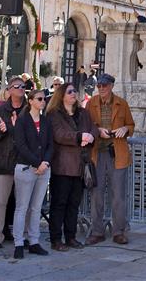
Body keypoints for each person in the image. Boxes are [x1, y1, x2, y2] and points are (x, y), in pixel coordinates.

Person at [85, 74, 135, 246]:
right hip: (97, 153)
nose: (101, 88)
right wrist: (98, 130)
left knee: (118, 195)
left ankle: (119, 231)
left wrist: (124, 129)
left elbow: (131, 126)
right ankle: (97, 231)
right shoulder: (91, 104)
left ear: (112, 86)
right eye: (99, 85)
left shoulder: (122, 104)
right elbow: (85, 125)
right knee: (96, 194)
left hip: (117, 154)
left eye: (104, 85)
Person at [46, 82, 95, 251]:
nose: (74, 93)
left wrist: (90, 137)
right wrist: (80, 136)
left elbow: (93, 129)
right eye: (69, 91)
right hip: (62, 166)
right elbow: (59, 134)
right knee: (59, 203)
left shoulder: (83, 113)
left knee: (74, 204)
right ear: (62, 95)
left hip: (80, 165)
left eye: (74, 90)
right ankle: (55, 239)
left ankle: (71, 237)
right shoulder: (54, 114)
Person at [0, 77, 26, 252]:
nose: (21, 88)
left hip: (25, 162)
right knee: (0, 201)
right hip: (3, 161)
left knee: (23, 203)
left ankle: (22, 236)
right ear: (9, 90)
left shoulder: (30, 109)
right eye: (17, 86)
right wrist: (0, 131)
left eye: (23, 86)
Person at [12, 88, 53, 258]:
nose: (42, 102)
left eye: (44, 99)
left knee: (36, 207)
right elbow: (20, 146)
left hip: (44, 169)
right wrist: (37, 163)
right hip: (26, 168)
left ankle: (34, 241)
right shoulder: (22, 121)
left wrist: (45, 163)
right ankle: (19, 243)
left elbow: (51, 144)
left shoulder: (45, 121)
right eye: (39, 99)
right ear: (30, 101)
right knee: (22, 207)